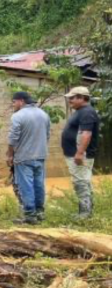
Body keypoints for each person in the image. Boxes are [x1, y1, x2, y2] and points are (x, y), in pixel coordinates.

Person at [7, 92, 51, 224]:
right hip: (40, 155)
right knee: (39, 184)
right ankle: (40, 212)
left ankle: (30, 215)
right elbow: (47, 135)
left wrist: (9, 154)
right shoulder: (44, 114)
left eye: (14, 102)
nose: (13, 105)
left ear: (21, 101)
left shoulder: (17, 116)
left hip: (24, 157)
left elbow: (13, 139)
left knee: (26, 185)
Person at [61, 86, 100, 219]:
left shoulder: (86, 112)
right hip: (76, 154)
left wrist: (79, 153)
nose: (70, 100)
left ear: (82, 98)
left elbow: (86, 134)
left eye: (72, 98)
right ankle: (87, 211)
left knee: (80, 182)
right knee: (84, 181)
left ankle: (85, 213)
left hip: (79, 155)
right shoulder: (81, 111)